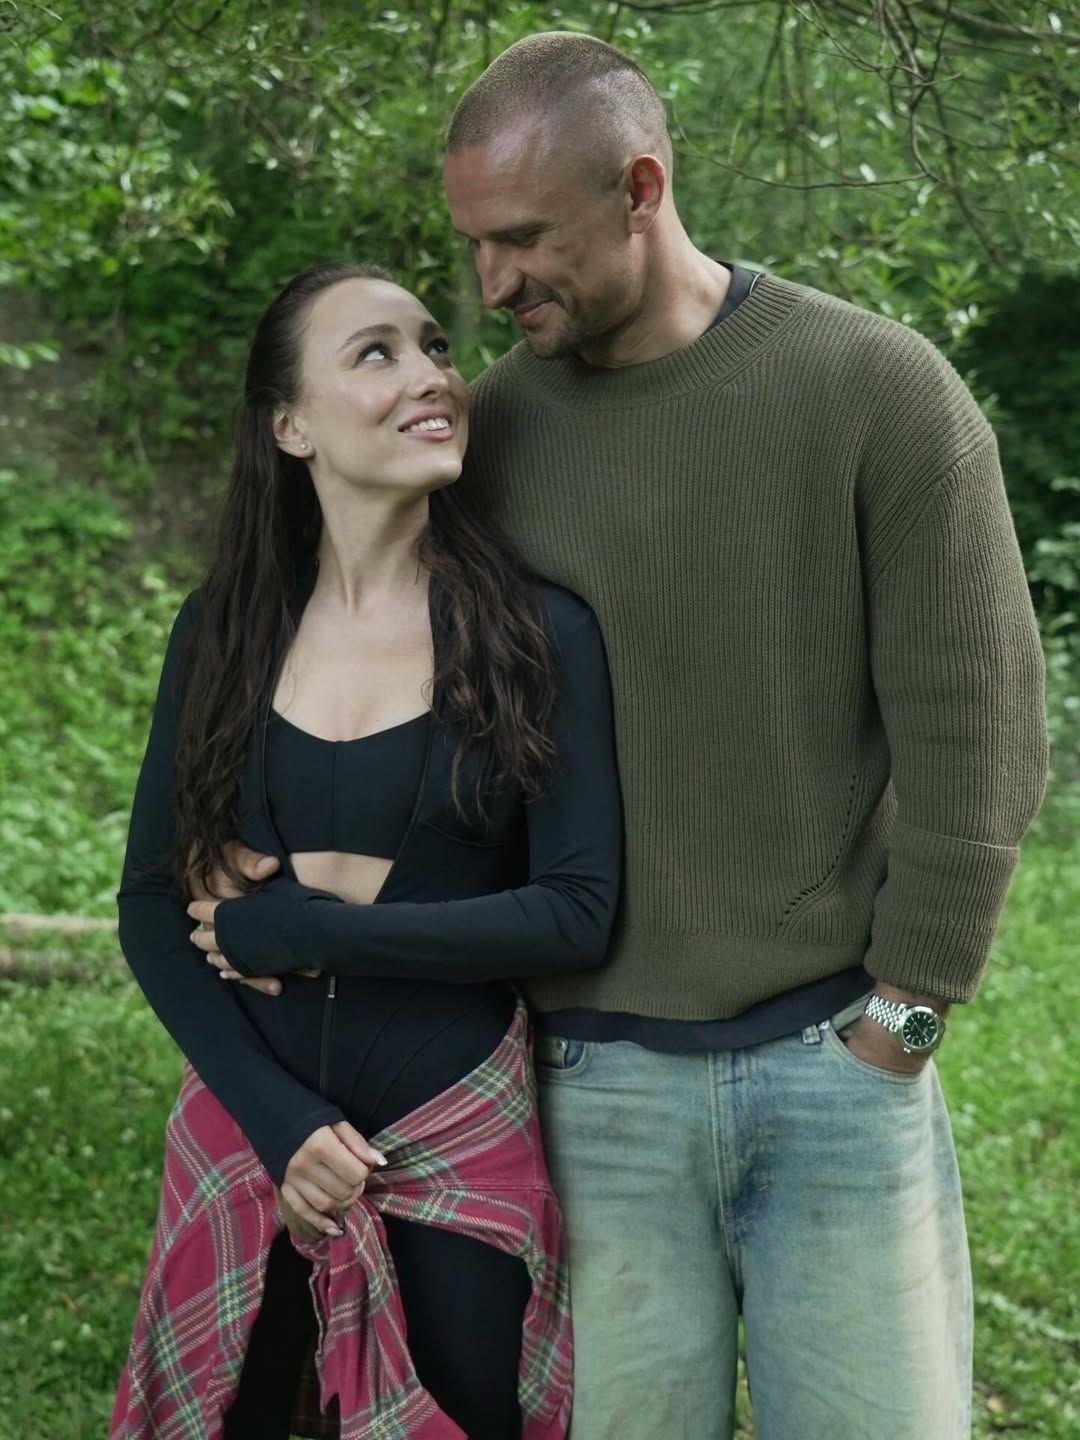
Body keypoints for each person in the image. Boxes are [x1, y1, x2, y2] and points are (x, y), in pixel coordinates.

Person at [435, 31, 1046, 1440]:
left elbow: (980, 725)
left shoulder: (877, 391)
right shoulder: (489, 434)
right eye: (473, 244)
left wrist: (907, 1015)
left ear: (640, 187)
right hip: (585, 1089)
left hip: (833, 1068)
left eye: (523, 238)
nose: (492, 282)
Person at [109, 260, 622, 1440]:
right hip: (250, 1135)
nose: (431, 375)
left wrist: (316, 931)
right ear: (291, 425)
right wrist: (280, 1123)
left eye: (435, 346)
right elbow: (148, 903)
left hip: (452, 1141)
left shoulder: (538, 632)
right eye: (376, 353)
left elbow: (576, 909)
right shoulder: (226, 627)